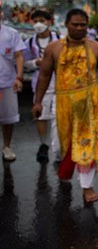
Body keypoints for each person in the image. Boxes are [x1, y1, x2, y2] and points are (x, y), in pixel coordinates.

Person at [32, 8, 98, 203]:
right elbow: (45, 75)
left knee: (87, 144)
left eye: (83, 25)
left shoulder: (96, 48)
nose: (80, 28)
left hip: (89, 105)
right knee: (61, 144)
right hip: (62, 104)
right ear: (66, 25)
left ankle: (87, 187)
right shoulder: (54, 48)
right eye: (75, 25)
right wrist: (38, 102)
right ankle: (65, 171)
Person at [23, 9, 61, 162]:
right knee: (41, 116)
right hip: (40, 84)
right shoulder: (29, 43)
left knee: (58, 117)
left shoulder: (61, 39)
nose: (39, 24)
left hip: (60, 84)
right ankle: (44, 144)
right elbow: (23, 63)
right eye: (35, 21)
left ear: (49, 22)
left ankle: (59, 148)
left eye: (42, 21)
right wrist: (35, 63)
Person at [0, 10, 26, 162]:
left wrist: (19, 77)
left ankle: (7, 147)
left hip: (7, 83)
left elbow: (19, 56)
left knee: (8, 118)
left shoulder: (11, 34)